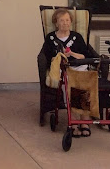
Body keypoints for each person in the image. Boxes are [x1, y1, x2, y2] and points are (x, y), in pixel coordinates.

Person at [43, 8, 98, 136]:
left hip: (79, 66)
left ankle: (84, 121)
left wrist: (71, 53)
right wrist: (59, 56)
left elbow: (85, 55)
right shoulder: (50, 38)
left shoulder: (77, 37)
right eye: (62, 20)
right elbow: (47, 56)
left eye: (67, 20)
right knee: (69, 86)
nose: (65, 23)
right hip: (62, 68)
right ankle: (73, 122)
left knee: (83, 86)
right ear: (56, 23)